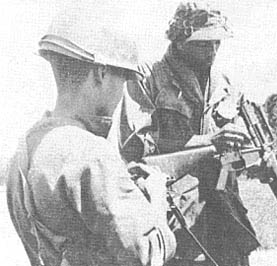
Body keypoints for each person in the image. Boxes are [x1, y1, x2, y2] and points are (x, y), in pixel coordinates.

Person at [6, 9, 176, 266]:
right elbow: (148, 254)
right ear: (101, 73)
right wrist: (157, 199)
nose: (121, 95)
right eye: (122, 82)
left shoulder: (26, 147)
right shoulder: (89, 151)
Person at [108, 2, 260, 266]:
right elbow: (136, 148)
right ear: (179, 40)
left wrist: (252, 159)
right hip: (173, 217)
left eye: (217, 42)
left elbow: (234, 157)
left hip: (225, 216)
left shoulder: (224, 85)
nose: (212, 50)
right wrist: (209, 143)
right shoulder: (147, 78)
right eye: (203, 43)